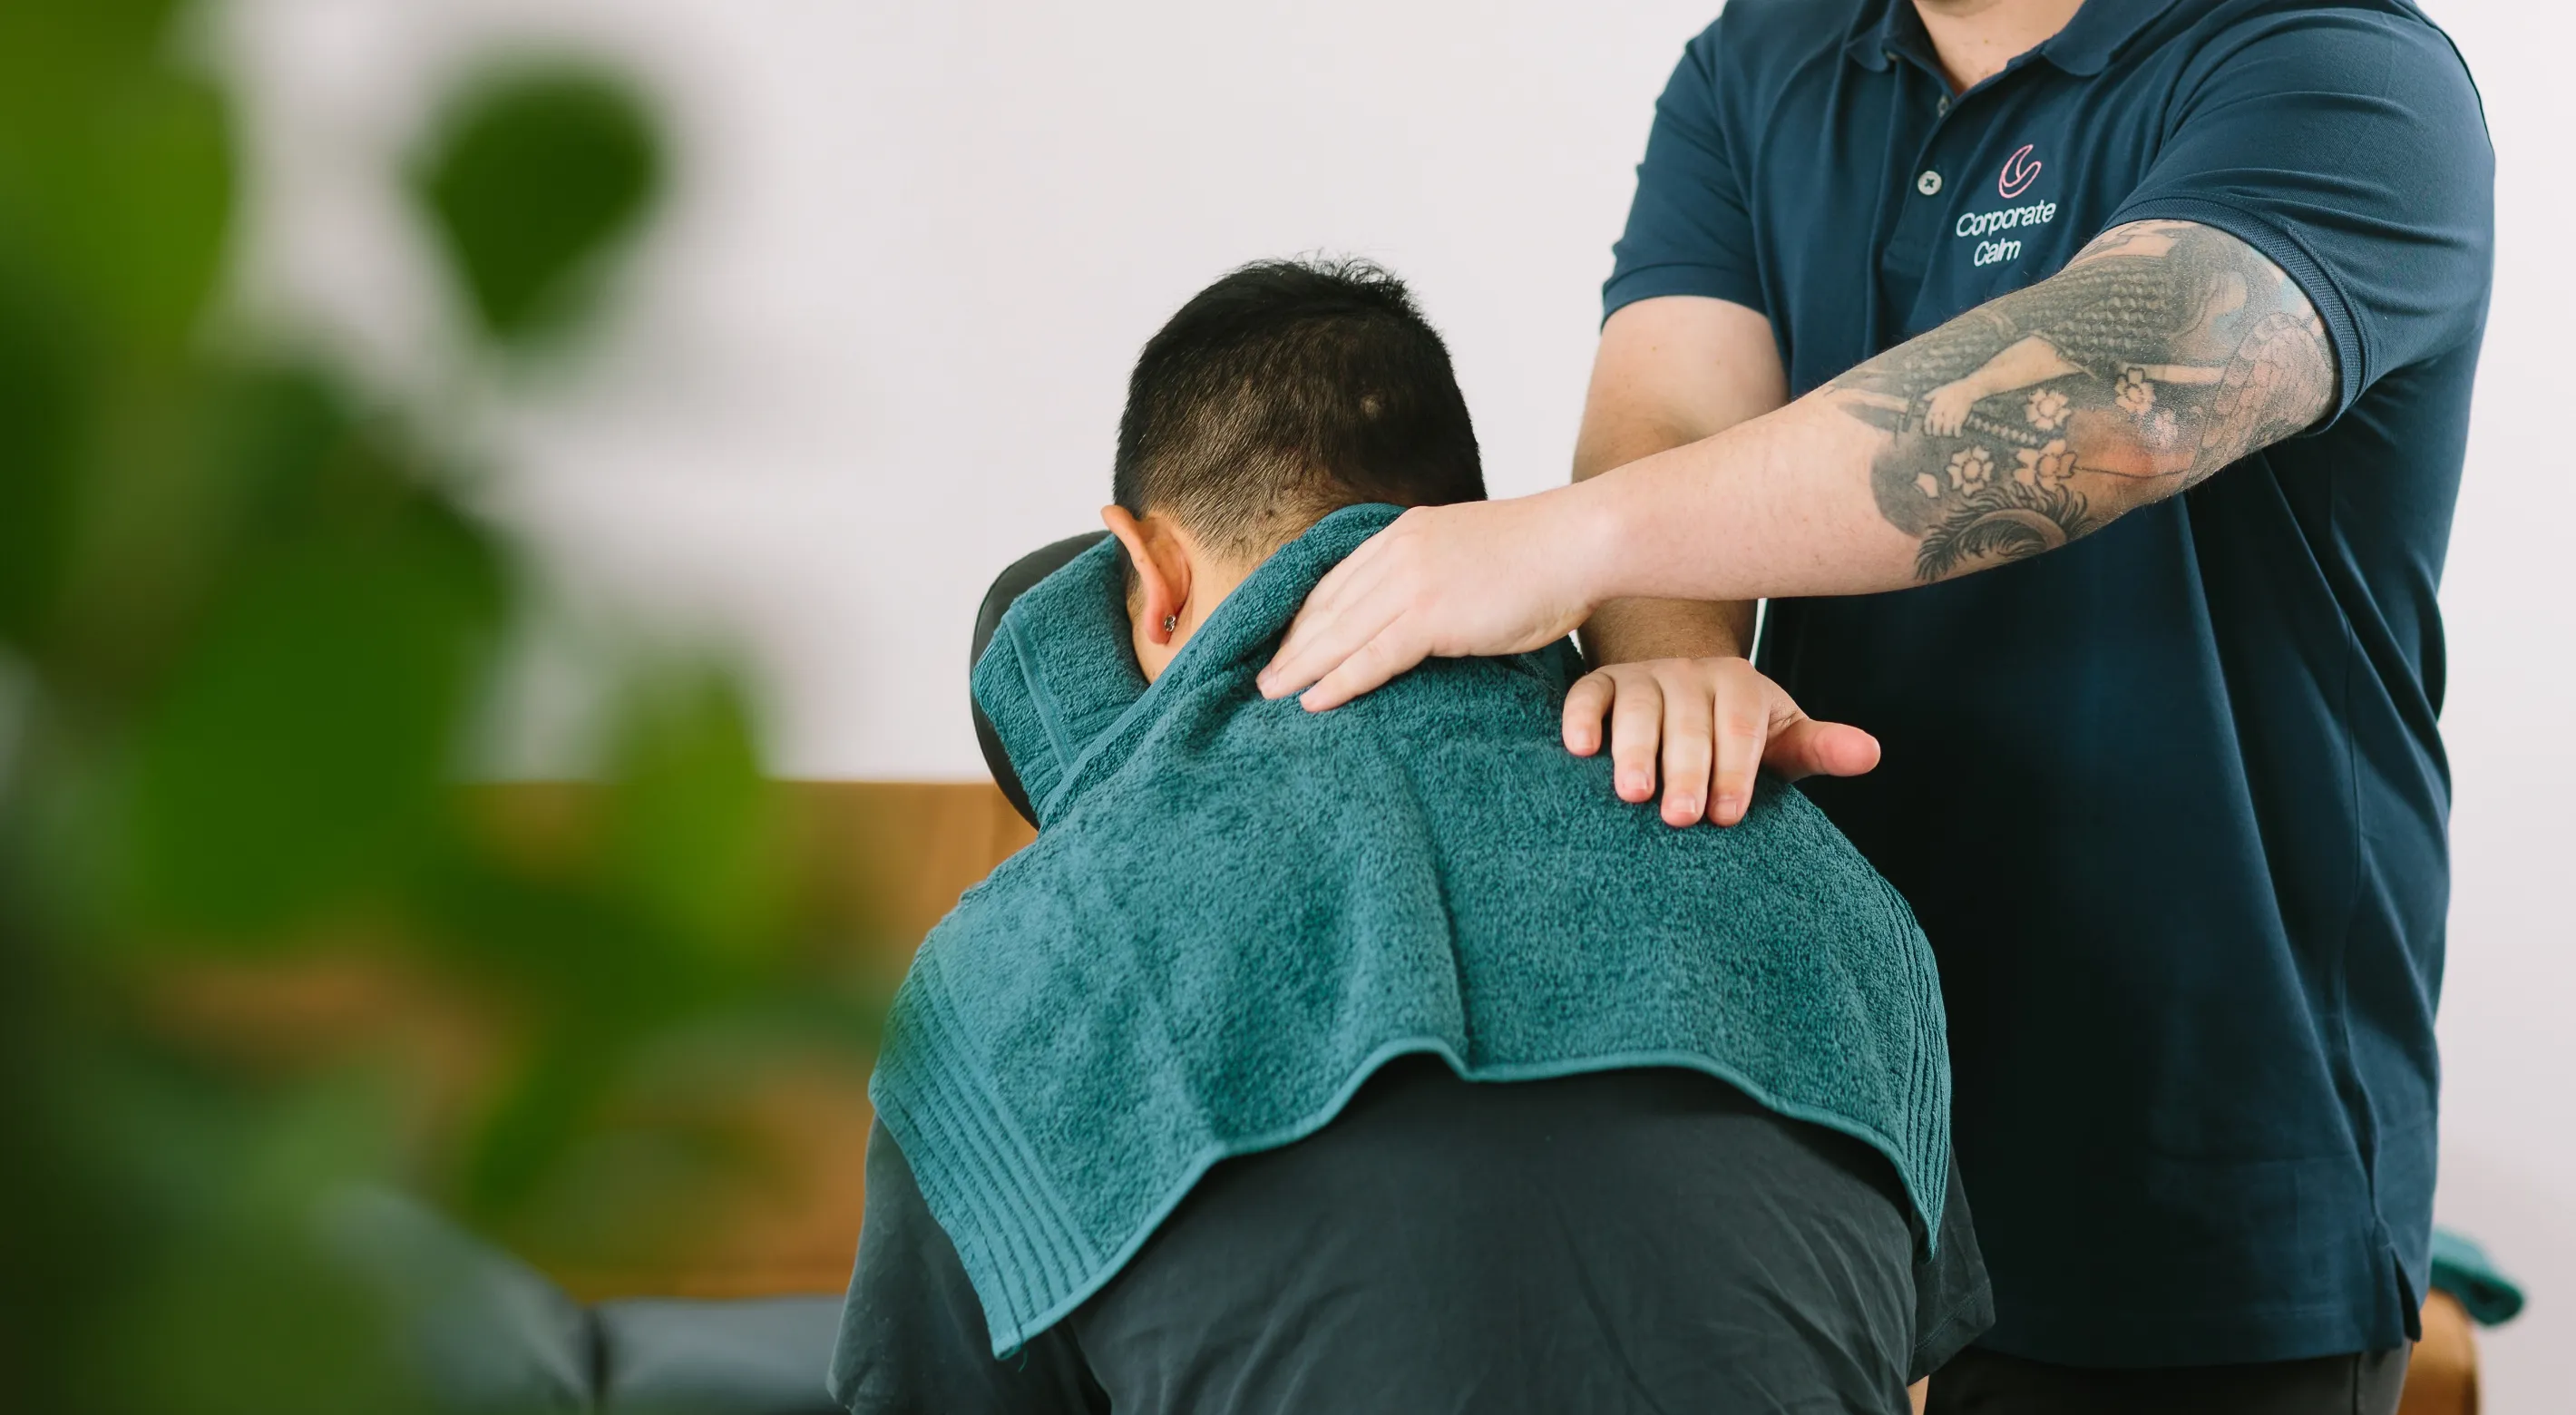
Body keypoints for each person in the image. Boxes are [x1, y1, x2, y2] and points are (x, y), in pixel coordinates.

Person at [1255, 2, 2492, 1411]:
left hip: (2202, 1179)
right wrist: (1673, 652)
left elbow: (2114, 399)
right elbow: (1671, 413)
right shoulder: (1765, 59)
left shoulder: (2339, 63)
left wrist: (1563, 545)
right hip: (1833, 1142)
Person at [830, 259, 1988, 1415]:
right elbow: (1902, 1363)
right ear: (1466, 528)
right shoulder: (1819, 887)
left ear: (1152, 571)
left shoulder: (1022, 959)